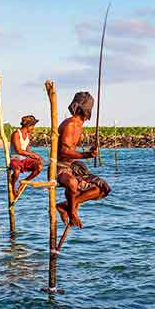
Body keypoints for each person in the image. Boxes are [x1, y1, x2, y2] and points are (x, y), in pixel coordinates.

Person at [56, 92, 111, 229]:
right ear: (85, 109)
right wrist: (86, 155)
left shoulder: (79, 125)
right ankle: (72, 211)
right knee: (72, 183)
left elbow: (72, 150)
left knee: (103, 188)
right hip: (60, 167)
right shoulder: (71, 124)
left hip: (73, 166)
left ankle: (67, 206)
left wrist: (89, 151)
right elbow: (64, 152)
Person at [9, 115, 43, 197]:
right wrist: (33, 154)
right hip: (15, 159)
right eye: (33, 126)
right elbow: (19, 151)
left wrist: (36, 158)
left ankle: (24, 182)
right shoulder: (16, 134)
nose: (33, 128)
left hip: (24, 160)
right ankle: (13, 187)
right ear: (28, 125)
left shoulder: (28, 136)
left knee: (39, 167)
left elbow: (28, 151)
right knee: (16, 172)